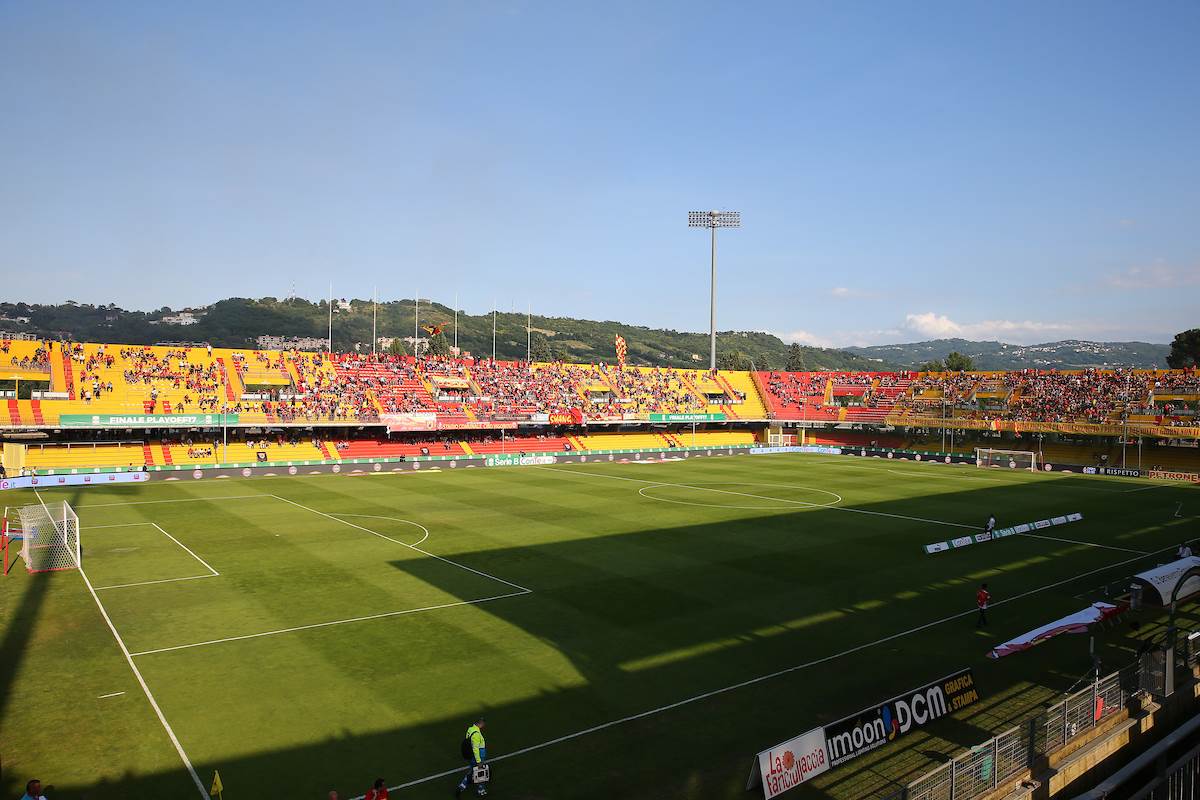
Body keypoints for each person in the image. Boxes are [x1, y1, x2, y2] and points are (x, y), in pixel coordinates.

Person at [456, 717, 488, 798]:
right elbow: (475, 749)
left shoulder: (470, 729)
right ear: (480, 723)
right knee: (480, 772)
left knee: (472, 771)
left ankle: (461, 786)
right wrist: (479, 761)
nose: (484, 725)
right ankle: (481, 790)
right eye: (483, 724)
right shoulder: (476, 734)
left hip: (472, 756)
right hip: (478, 756)